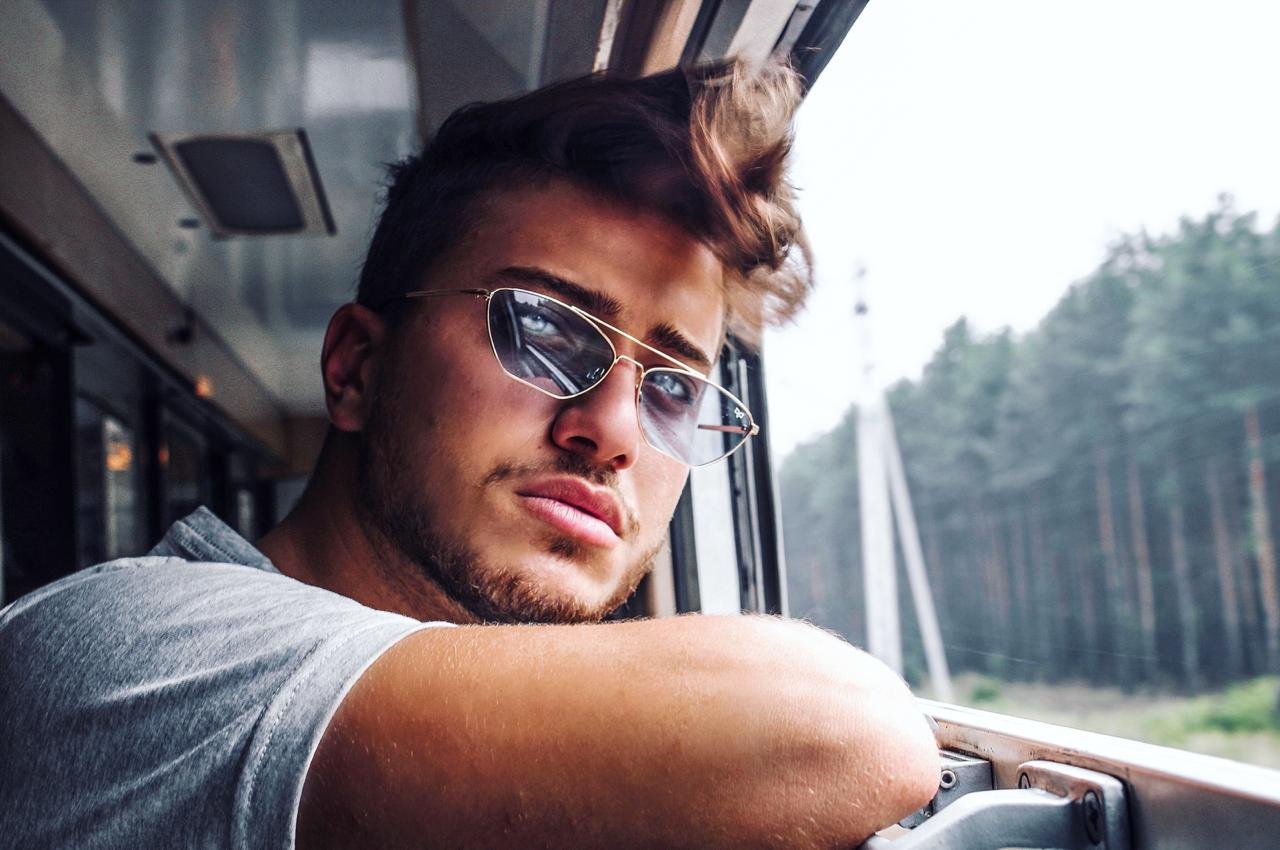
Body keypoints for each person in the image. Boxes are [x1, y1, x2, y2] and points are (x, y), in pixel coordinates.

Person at [0, 61, 939, 848]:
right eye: (544, 330)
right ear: (357, 368)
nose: (612, 430)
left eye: (672, 390)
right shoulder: (126, 652)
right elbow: (843, 734)